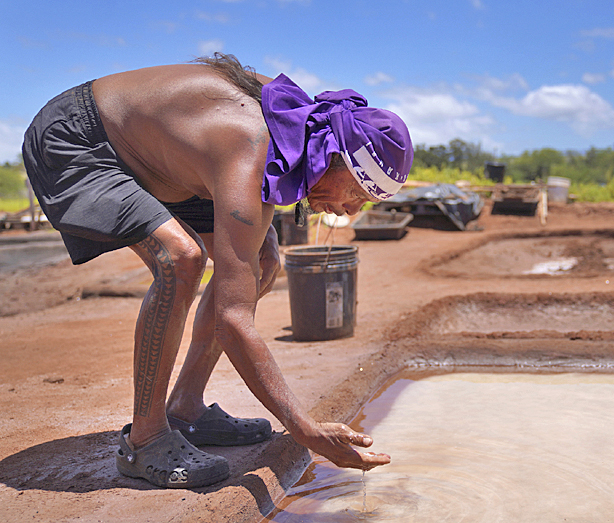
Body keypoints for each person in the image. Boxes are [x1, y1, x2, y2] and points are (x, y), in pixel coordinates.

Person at [22, 53, 413, 489]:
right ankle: (145, 439)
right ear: (333, 158)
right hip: (79, 139)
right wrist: (305, 429)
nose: (350, 211)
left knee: (262, 260)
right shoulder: (251, 148)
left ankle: (186, 407)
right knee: (181, 258)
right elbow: (233, 321)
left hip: (162, 163)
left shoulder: (297, 129)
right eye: (357, 194)